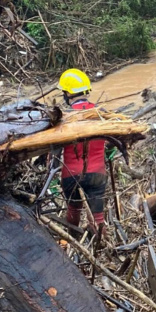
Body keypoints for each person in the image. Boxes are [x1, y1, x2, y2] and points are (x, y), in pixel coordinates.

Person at [57, 68, 108, 236]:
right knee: (98, 216)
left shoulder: (63, 117)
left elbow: (55, 149)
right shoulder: (101, 113)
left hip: (70, 175)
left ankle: (72, 241)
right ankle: (101, 244)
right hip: (97, 173)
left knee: (73, 210)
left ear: (67, 94)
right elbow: (114, 141)